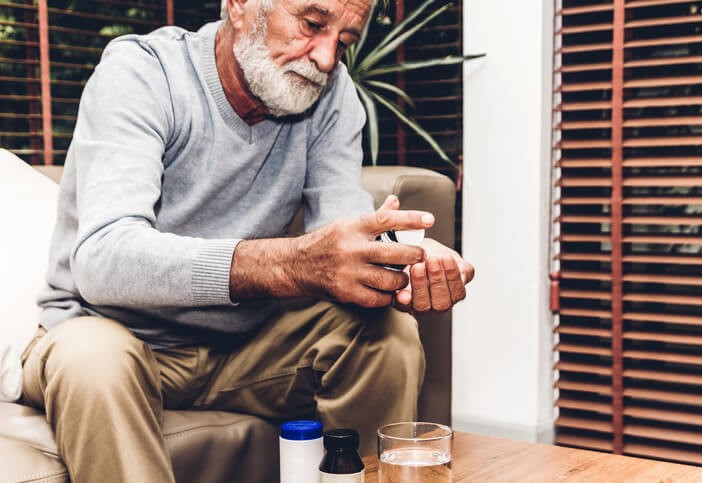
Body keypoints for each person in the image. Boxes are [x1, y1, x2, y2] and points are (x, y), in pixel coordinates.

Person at [20, 0, 475, 480]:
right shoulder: (143, 73)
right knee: (96, 362)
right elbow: (104, 260)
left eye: (342, 42)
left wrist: (405, 260)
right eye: (312, 24)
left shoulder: (332, 95)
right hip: (112, 334)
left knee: (386, 338)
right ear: (238, 6)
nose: (324, 58)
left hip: (243, 347)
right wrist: (288, 264)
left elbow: (343, 228)